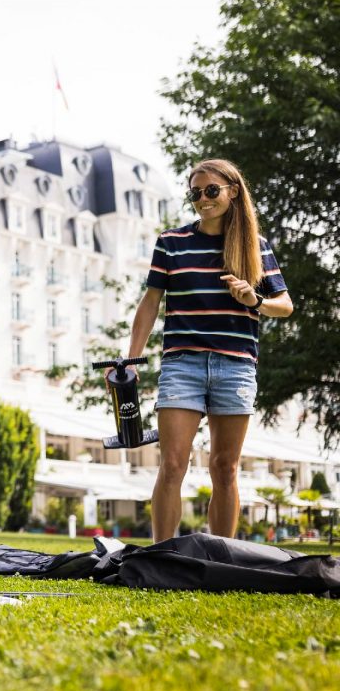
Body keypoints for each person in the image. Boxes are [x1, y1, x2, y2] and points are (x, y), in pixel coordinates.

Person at [123, 159, 293, 542]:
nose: (203, 199)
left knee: (225, 467)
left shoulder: (255, 248)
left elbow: (285, 305)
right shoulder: (172, 242)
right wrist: (132, 360)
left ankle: (222, 556)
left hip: (236, 366)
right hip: (182, 364)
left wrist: (255, 301)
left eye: (211, 190)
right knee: (171, 464)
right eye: (196, 193)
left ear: (233, 192)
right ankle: (161, 556)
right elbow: (150, 303)